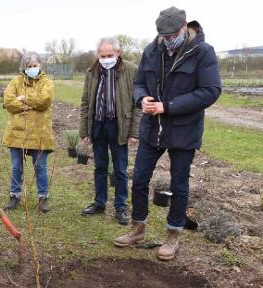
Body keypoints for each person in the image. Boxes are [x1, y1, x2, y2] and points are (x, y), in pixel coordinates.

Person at [113, 7, 221, 261]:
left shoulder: (203, 52)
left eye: (172, 34)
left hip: (183, 131)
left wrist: (168, 107)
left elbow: (210, 91)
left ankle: (173, 234)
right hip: (152, 128)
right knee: (139, 179)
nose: (168, 39)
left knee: (178, 185)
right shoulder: (152, 51)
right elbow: (138, 84)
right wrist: (143, 100)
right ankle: (137, 228)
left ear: (184, 27)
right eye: (163, 35)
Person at [79, 37, 141, 225]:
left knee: (120, 169)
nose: (106, 59)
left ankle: (120, 207)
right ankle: (99, 202)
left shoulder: (131, 70)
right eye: (102, 55)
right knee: (100, 167)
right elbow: (85, 102)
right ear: (98, 55)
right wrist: (85, 131)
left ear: (118, 53)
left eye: (109, 55)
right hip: (98, 125)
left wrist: (134, 132)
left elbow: (137, 104)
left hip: (119, 126)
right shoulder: (92, 71)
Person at [2, 52, 54, 213]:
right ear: (24, 67)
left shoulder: (47, 82)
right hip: (17, 132)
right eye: (29, 66)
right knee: (17, 167)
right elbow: (8, 102)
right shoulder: (15, 81)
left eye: (35, 66)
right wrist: (29, 105)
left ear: (40, 66)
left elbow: (44, 101)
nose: (32, 69)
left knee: (41, 167)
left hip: (40, 132)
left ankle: (43, 197)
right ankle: (14, 196)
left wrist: (23, 98)